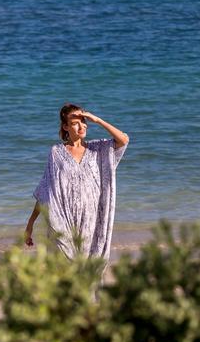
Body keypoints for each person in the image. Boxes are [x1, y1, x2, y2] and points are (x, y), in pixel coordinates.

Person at [25, 104, 129, 260]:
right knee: (65, 268)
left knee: (87, 271)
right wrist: (30, 223)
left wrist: (98, 120)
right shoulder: (56, 153)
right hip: (63, 219)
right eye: (75, 123)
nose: (82, 126)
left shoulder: (98, 149)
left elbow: (123, 140)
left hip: (92, 222)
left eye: (83, 121)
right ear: (66, 127)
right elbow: (46, 191)